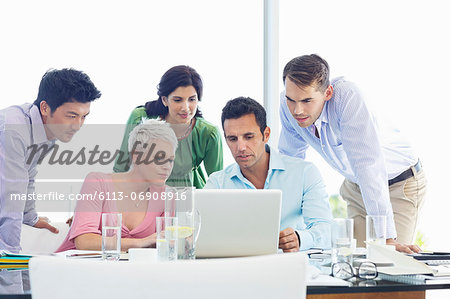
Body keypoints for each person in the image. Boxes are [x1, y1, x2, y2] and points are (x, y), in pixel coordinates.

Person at [279, 54, 426, 253]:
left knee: (390, 261)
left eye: (307, 101)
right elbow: (290, 161)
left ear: (328, 92)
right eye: (291, 99)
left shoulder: (347, 98)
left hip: (400, 183)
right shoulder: (289, 104)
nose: (297, 110)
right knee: (356, 264)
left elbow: (368, 166)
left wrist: (387, 238)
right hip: (357, 186)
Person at [205, 97, 332, 252]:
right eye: (232, 139)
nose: (241, 147)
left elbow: (326, 231)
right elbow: (200, 232)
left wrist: (299, 238)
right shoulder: (217, 183)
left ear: (266, 135)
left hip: (289, 267)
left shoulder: (304, 173)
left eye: (249, 137)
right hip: (238, 269)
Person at [0, 68, 101, 252]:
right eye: (71, 116)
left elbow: (26, 177)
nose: (78, 125)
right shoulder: (14, 131)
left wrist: (30, 218)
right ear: (45, 108)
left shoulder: (48, 129)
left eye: (84, 116)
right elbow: (10, 203)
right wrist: (12, 263)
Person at [56, 119, 177, 252]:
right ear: (137, 155)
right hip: (74, 267)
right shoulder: (97, 183)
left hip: (124, 271)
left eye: (171, 160)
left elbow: (167, 245)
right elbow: (84, 241)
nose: (167, 167)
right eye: (160, 158)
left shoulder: (166, 196)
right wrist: (140, 243)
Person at [114, 65, 223, 188]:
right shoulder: (140, 118)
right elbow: (121, 167)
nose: (186, 108)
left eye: (192, 99)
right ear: (165, 100)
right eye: (178, 100)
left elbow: (219, 184)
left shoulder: (208, 133)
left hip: (189, 196)